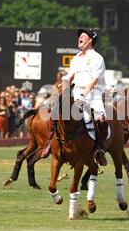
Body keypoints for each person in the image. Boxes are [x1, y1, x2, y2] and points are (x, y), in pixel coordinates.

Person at [41, 28, 108, 166]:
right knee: (55, 111)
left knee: (101, 120)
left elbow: (95, 79)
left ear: (90, 40)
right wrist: (60, 92)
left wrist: (84, 95)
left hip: (93, 93)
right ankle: (49, 142)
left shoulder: (97, 58)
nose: (80, 38)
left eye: (83, 36)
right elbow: (69, 77)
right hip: (75, 91)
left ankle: (99, 150)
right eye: (80, 36)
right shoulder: (76, 58)